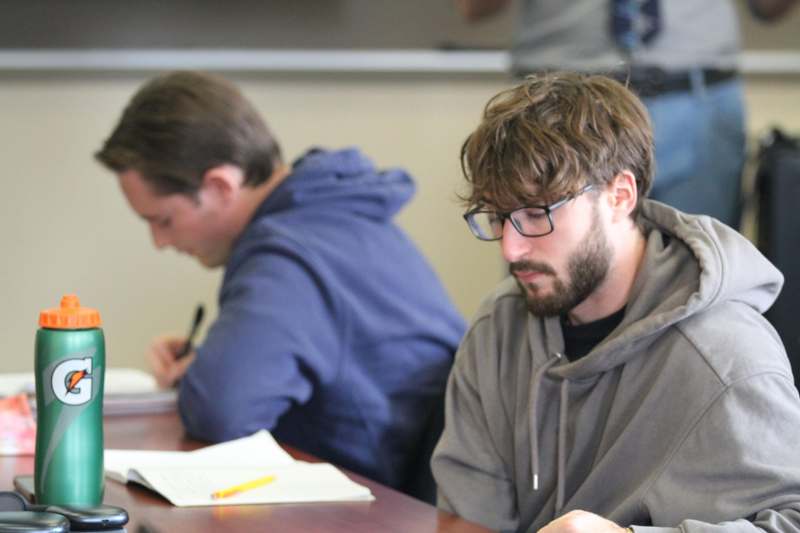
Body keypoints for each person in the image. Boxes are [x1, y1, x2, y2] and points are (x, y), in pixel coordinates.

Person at [431, 71, 800, 532]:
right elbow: (466, 519)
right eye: (499, 217)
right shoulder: (498, 331)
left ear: (619, 196)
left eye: (535, 214)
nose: (510, 248)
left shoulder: (724, 357)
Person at [95, 71, 466, 495]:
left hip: (381, 508)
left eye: (163, 220)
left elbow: (222, 409)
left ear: (219, 185)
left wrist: (206, 374)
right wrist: (205, 363)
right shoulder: (333, 213)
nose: (160, 242)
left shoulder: (288, 251)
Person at [455, 0, 798, 230]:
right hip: (557, 110)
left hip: (700, 107)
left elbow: (770, 7)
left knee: (702, 283)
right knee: (558, 291)